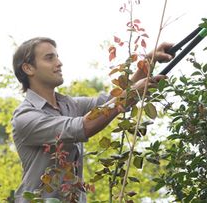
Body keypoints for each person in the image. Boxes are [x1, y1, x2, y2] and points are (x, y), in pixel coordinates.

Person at [11, 37, 173, 202]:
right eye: (49, 57)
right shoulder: (25, 118)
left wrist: (147, 62)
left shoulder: (68, 105)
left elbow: (110, 101)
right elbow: (85, 125)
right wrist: (130, 94)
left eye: (57, 56)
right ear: (28, 68)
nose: (59, 63)